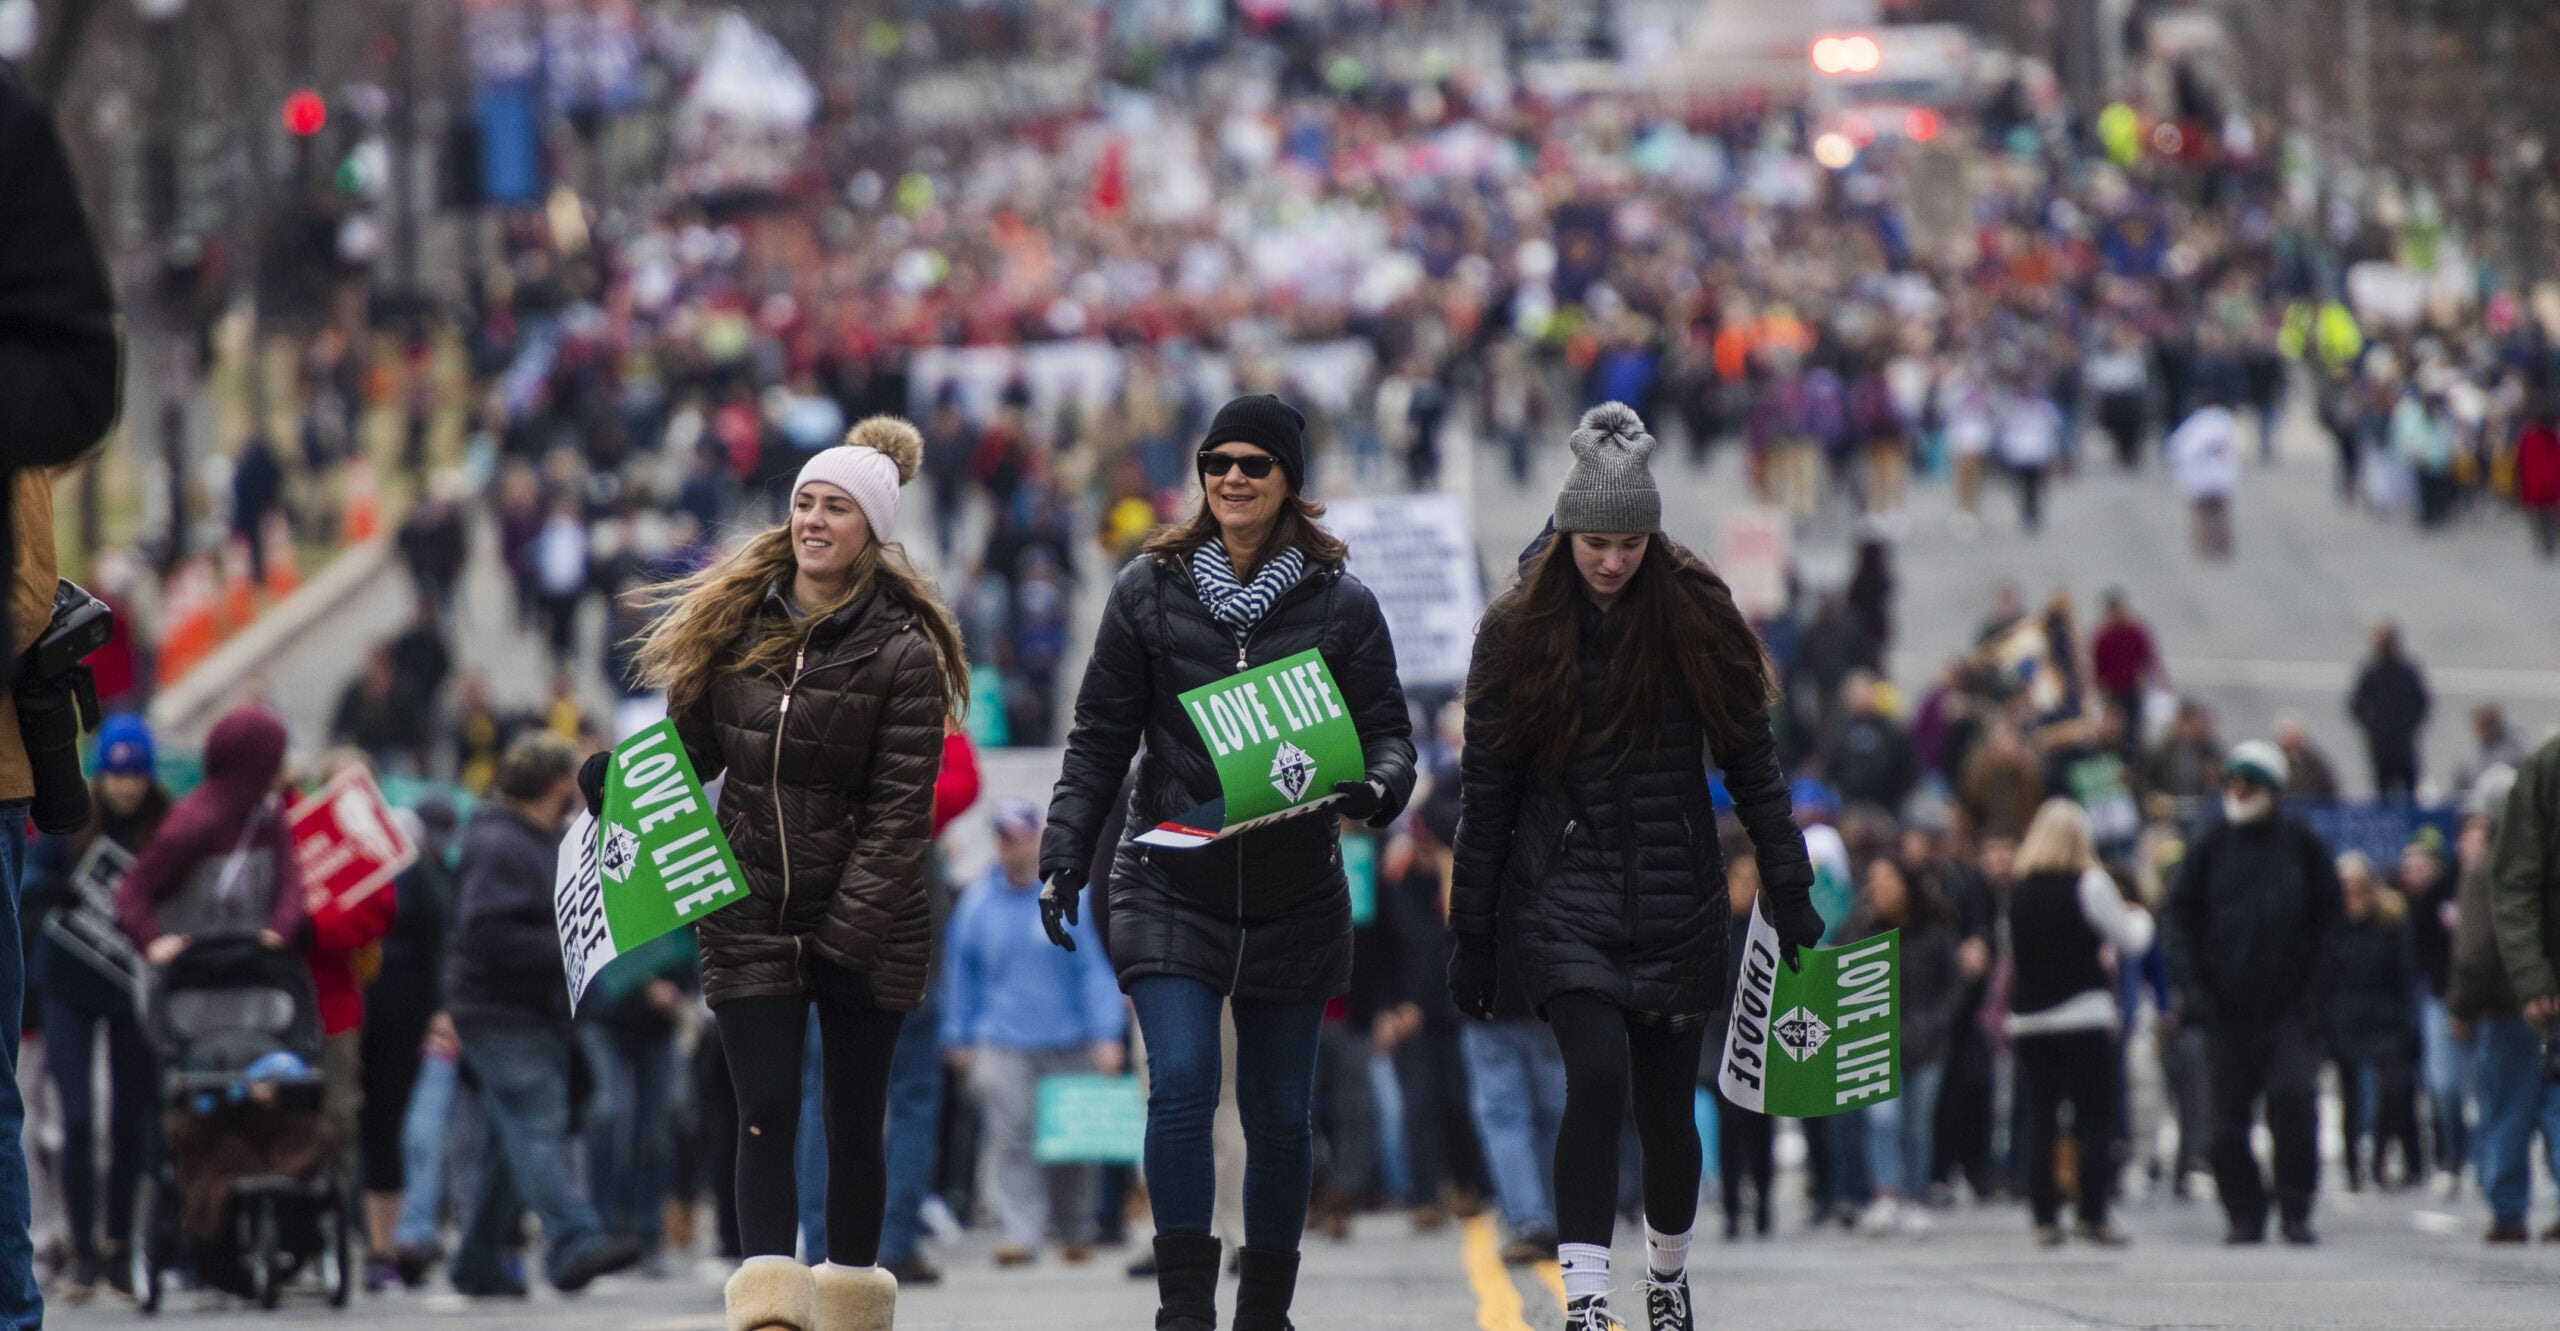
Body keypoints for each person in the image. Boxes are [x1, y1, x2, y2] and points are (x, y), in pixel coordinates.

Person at [1038, 394, 1416, 1331]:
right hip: (1170, 879)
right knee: (1181, 1084)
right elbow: (1095, 738)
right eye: (1218, 463)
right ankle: (1183, 1310)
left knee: (1282, 1112)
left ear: (1290, 481)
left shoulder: (1344, 603)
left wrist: (1376, 789)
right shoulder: (1147, 590)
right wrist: (1061, 854)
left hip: (1295, 891)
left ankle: (1265, 1311)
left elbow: (1391, 738)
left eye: (1254, 463)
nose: (1234, 477)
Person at [1448, 404, 1821, 1331]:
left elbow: (1753, 763)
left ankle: (1665, 1275)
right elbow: (1486, 792)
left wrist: (1792, 882)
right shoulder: (1516, 631)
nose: (1611, 560)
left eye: (1628, 542)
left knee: (1665, 1107)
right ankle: (1584, 1298)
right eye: (1595, 542)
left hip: (1677, 894)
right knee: (1596, 1081)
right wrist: (1474, 930)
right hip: (1564, 896)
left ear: (1652, 536)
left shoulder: (1696, 615)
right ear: (1568, 532)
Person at [630, 417, 969, 1331]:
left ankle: (853, 1303)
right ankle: (772, 1314)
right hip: (748, 906)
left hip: (871, 923)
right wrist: (612, 782)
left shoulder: (904, 652)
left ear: (872, 530)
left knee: (853, 1121)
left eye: (836, 508)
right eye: (804, 503)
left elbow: (904, 813)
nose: (814, 520)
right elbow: (688, 751)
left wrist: (846, 935)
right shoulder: (734, 624)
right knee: (763, 1108)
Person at [444, 733, 642, 1296]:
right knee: (537, 1122)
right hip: (501, 1012)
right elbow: (487, 932)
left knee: (512, 1141)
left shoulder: (532, 837)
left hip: (528, 1011)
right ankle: (576, 1239)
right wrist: (571, 944)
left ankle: (478, 1259)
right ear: (559, 785)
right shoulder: (500, 845)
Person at [2167, 741, 2341, 1245]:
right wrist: (2194, 987)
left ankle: (2295, 1207)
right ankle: (2244, 1210)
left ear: (2272, 790)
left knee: (2293, 1100)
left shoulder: (2302, 845)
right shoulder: (2210, 846)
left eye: (2249, 784)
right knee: (2224, 1125)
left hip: (2291, 1009)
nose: (2238, 792)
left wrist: (2317, 994)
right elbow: (2179, 918)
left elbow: (2330, 922)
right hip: (2226, 1011)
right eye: (2232, 783)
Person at [942, 799, 1126, 1267]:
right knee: (1013, 1137)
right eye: (1003, 838)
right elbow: (961, 974)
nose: (1012, 848)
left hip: (1069, 1037)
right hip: (1003, 1042)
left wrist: (1107, 1033)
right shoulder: (977, 905)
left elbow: (1093, 970)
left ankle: (1074, 1228)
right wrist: (958, 1035)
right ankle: (1020, 1233)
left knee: (1070, 1144)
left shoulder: (1069, 900)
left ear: (1038, 840)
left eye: (1020, 837)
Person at [23, 716, 168, 1298]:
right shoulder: (72, 814)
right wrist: (56, 890)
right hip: (68, 981)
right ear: (101, 773)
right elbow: (30, 877)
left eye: (136, 776)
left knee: (132, 1119)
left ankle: (119, 1244)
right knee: (76, 1120)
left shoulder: (163, 824)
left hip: (130, 986)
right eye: (117, 774)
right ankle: (82, 1249)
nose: (126, 787)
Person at [2005, 800, 2152, 1246]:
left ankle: (2045, 1217)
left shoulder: (2020, 888)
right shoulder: (2090, 883)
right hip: (2084, 1014)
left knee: (2041, 1121)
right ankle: (2092, 1212)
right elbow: (2128, 941)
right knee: (2095, 1118)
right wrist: (2141, 917)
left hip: (2029, 1019)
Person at [2452, 767, 2558, 1242]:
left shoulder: (2489, 868)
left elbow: (2474, 947)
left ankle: (2508, 1209)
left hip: (2507, 1006)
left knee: (2507, 1109)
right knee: (2556, 1105)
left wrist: (2461, 1005)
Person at [115, 706, 304, 966]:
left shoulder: (268, 816)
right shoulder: (192, 823)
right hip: (190, 985)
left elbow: (290, 882)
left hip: (251, 983)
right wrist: (153, 940)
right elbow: (133, 890)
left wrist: (277, 931)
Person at [1845, 857, 1959, 1239]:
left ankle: (1914, 1197)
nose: (1879, 890)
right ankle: (1885, 1193)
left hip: (1926, 1044)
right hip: (1875, 1043)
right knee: (1881, 1119)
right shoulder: (1859, 928)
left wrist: (1932, 1025)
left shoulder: (1934, 931)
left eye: (1887, 881)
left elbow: (1953, 987)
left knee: (1917, 1125)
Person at [2328, 853, 2421, 1191]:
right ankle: (2353, 1167)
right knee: (2349, 1098)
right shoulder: (2331, 923)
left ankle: (2380, 1156)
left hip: (2385, 1017)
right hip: (2344, 1018)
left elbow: (2405, 973)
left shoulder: (2390, 920)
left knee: (2391, 1091)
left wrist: (2406, 1019)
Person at [2348, 622, 2431, 799]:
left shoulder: (2407, 671)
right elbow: (2356, 705)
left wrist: (2409, 724)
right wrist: (2374, 726)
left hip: (2403, 742)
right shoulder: (2370, 672)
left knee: (2409, 788)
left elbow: (2421, 702)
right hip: (2380, 745)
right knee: (2382, 790)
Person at [2166, 393, 2241, 559]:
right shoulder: (2225, 423)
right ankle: (2224, 548)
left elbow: (2179, 448)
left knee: (2202, 516)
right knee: (2221, 515)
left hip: (2198, 478)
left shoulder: (2193, 425)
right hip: (2221, 478)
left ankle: (2204, 549)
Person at [2087, 591, 2161, 750]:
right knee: (2114, 728)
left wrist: (2152, 680)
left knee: (2133, 729)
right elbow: (2098, 666)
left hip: (2131, 689)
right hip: (2113, 690)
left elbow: (2148, 659)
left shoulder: (2134, 632)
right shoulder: (2104, 636)